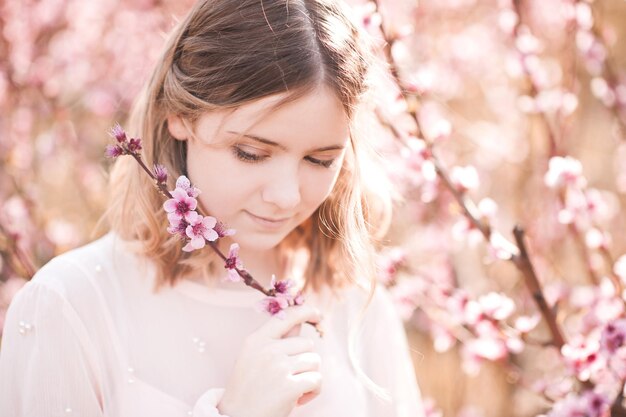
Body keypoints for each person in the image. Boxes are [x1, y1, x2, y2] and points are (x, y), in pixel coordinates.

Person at [0, 0, 424, 416]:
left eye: (320, 160)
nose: (287, 196)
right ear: (179, 115)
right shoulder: (71, 305)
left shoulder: (353, 301)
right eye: (252, 153)